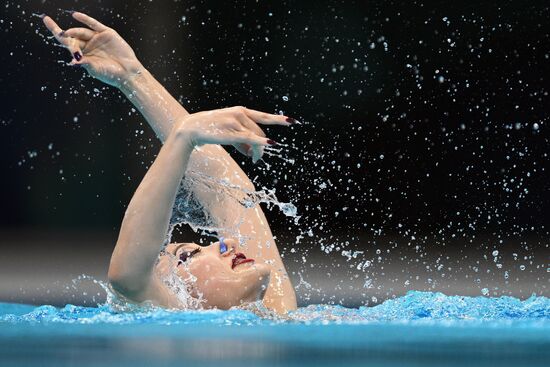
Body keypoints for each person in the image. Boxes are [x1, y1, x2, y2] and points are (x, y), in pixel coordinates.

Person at [41, 12, 297, 315]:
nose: (226, 243)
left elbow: (230, 195)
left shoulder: (275, 306)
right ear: (177, 299)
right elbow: (126, 277)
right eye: (188, 255)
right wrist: (183, 137)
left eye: (196, 249)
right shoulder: (179, 319)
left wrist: (133, 77)